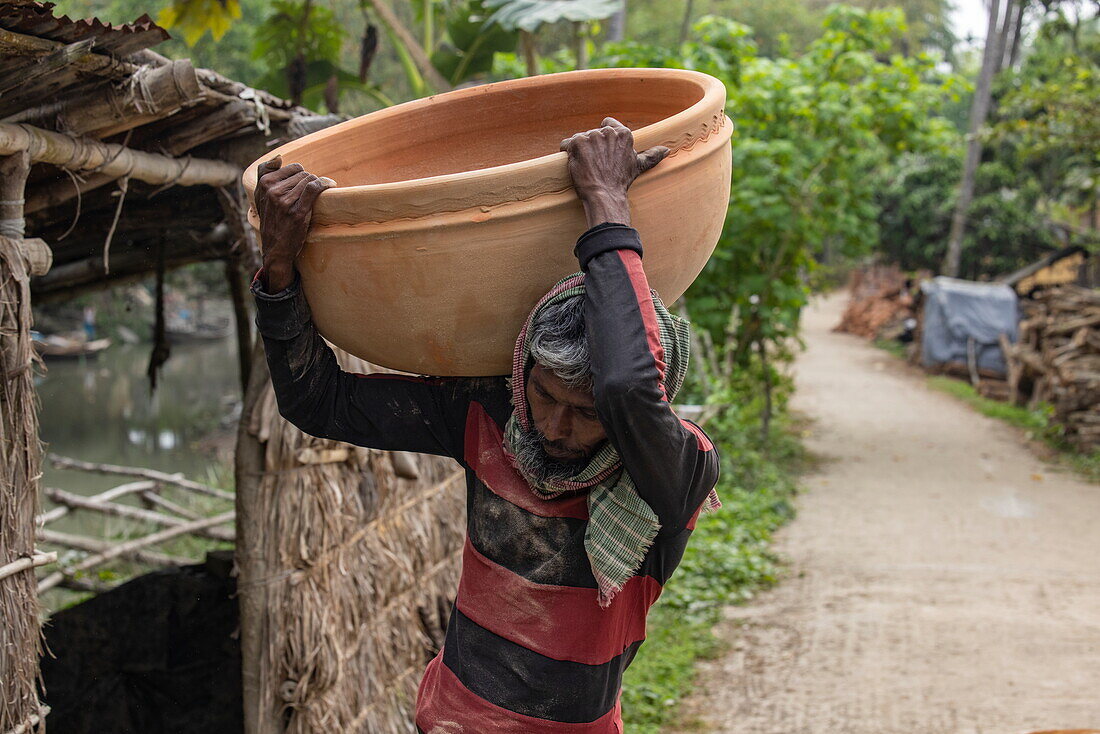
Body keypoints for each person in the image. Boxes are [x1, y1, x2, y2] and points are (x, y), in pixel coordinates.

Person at [251, 117, 721, 732]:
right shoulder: (491, 416)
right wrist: (281, 264)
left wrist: (606, 201)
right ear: (521, 369)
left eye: (586, 413)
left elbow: (628, 387)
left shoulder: (672, 468)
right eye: (545, 394)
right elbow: (318, 402)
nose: (554, 426)